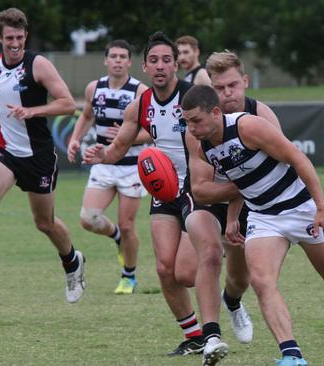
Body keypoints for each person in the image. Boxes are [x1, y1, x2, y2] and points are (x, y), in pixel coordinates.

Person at [181, 84, 324, 366]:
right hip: (264, 217)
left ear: (215, 113)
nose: (190, 128)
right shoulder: (202, 145)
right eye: (186, 121)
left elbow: (298, 158)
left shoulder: (248, 127)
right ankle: (292, 354)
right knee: (262, 281)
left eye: (196, 121)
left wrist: (323, 209)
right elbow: (238, 181)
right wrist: (231, 218)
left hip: (300, 208)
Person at [83, 31, 207, 359]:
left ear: (176, 64)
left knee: (187, 274)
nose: (161, 66)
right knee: (165, 270)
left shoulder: (192, 97)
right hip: (164, 190)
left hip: (198, 187)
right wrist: (100, 154)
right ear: (145, 66)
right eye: (154, 61)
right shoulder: (140, 105)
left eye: (167, 60)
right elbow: (119, 147)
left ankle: (225, 278)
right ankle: (194, 336)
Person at [0, 8, 84, 309]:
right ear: (0, 38)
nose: (15, 43)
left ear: (26, 37)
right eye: (10, 38)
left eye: (20, 38)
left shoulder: (38, 65)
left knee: (44, 223)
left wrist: (33, 111)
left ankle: (72, 262)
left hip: (37, 156)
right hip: (5, 151)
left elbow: (67, 103)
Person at [186, 50, 283, 344]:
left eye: (232, 86)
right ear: (210, 89)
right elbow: (200, 189)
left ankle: (233, 301)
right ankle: (211, 337)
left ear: (244, 81)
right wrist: (230, 206)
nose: (227, 94)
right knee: (211, 255)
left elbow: (278, 168)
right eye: (219, 88)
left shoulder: (261, 115)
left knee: (241, 280)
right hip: (213, 200)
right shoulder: (198, 126)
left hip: (251, 203)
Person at [67, 40, 149, 295]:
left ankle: (129, 276)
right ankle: (116, 238)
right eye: (113, 56)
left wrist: (127, 138)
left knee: (128, 225)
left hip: (130, 165)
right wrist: (75, 139)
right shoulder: (95, 88)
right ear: (106, 60)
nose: (117, 60)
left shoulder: (140, 91)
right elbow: (87, 116)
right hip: (103, 164)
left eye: (122, 56)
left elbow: (151, 131)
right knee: (88, 219)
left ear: (129, 62)